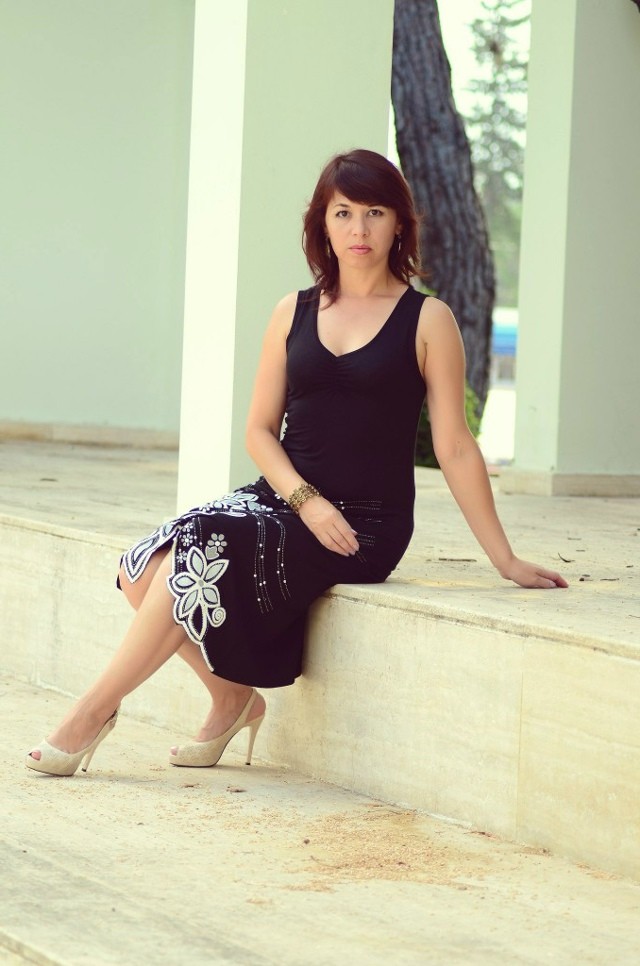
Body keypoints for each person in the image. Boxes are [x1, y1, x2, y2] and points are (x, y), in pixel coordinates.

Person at [26, 148, 567, 777]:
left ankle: (90, 714)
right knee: (142, 564)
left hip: (364, 522)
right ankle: (232, 699)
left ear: (399, 224)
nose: (359, 229)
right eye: (344, 212)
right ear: (323, 224)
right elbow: (259, 430)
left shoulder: (428, 320)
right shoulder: (294, 311)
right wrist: (305, 501)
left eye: (375, 212)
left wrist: (504, 560)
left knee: (197, 544)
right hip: (287, 498)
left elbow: (454, 446)